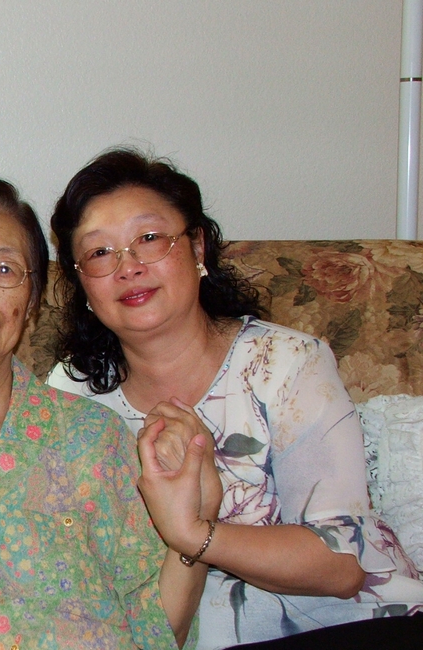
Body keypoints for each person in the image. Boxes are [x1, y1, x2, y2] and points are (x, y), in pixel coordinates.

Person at [46, 147, 423, 648]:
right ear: (81, 283)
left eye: (149, 238)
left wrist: (193, 533)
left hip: (358, 625)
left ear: (198, 247)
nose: (128, 266)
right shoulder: (70, 393)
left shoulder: (285, 363)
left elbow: (341, 565)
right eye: (99, 253)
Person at [0, 176, 220, 649]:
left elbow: (156, 630)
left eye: (5, 270)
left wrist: (198, 517)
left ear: (31, 301)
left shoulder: (93, 438)